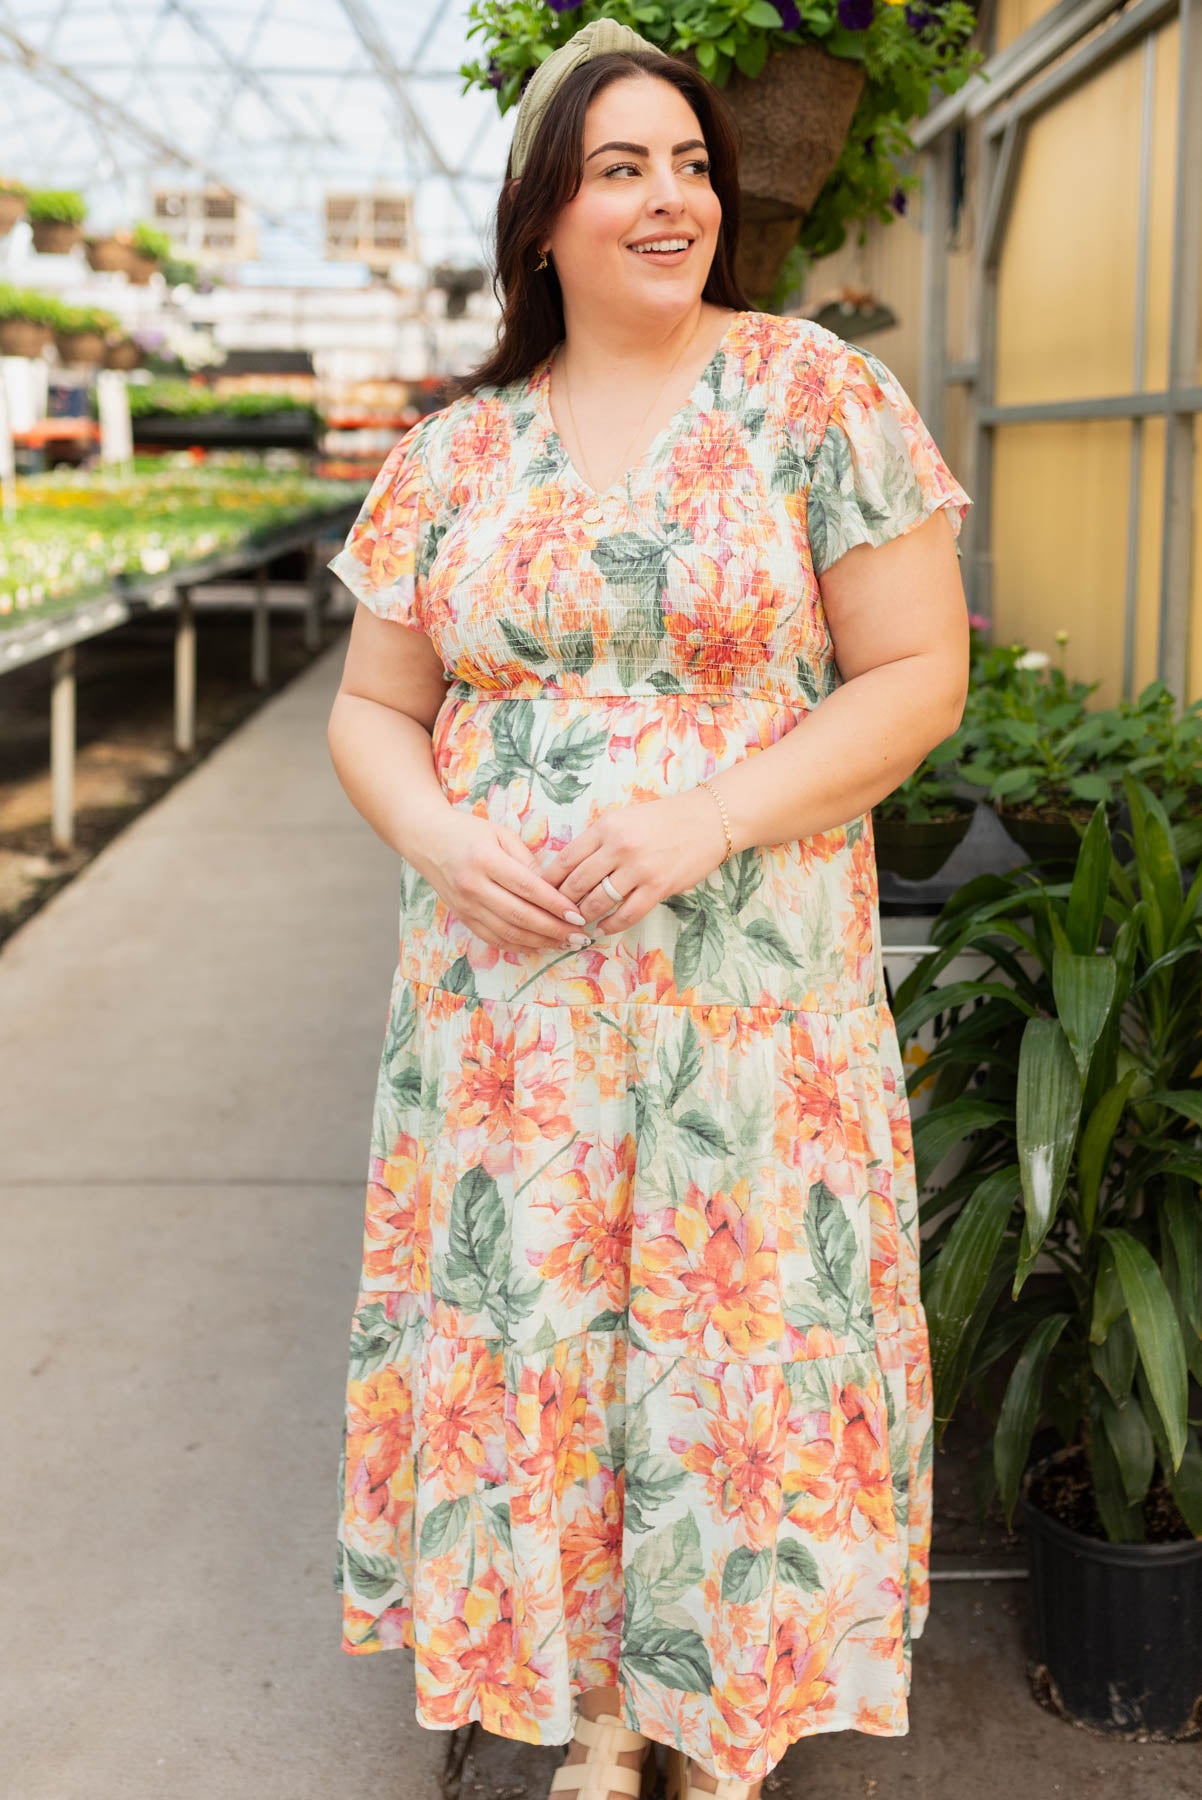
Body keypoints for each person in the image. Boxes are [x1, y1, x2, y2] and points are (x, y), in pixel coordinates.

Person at [325, 19, 971, 1800]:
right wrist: (443, 840)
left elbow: (917, 675)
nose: (669, 196)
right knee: (540, 1335)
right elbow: (373, 709)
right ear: (542, 216)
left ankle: (726, 1710)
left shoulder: (811, 396)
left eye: (686, 163)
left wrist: (705, 817)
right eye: (620, 167)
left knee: (736, 1333)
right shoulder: (455, 454)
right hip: (508, 1012)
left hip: (748, 994)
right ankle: (596, 1710)